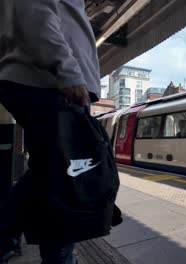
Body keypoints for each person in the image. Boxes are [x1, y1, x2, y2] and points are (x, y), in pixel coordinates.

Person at [0, 0, 108, 263]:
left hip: (41, 78)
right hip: (48, 81)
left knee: (49, 175)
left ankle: (8, 237)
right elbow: (33, 8)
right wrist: (68, 71)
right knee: (64, 180)